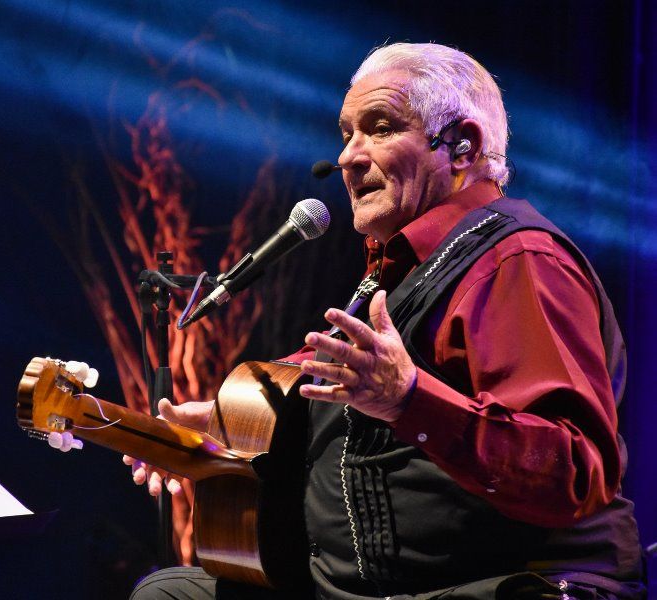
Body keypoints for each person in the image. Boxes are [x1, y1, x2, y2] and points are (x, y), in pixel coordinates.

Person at [120, 43, 646, 599]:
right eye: (346, 133)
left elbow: (575, 470)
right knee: (170, 594)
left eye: (380, 128)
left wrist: (409, 398)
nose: (348, 157)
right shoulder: (396, 274)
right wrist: (230, 433)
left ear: (462, 147)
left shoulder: (516, 261)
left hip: (495, 586)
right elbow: (322, 404)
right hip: (364, 587)